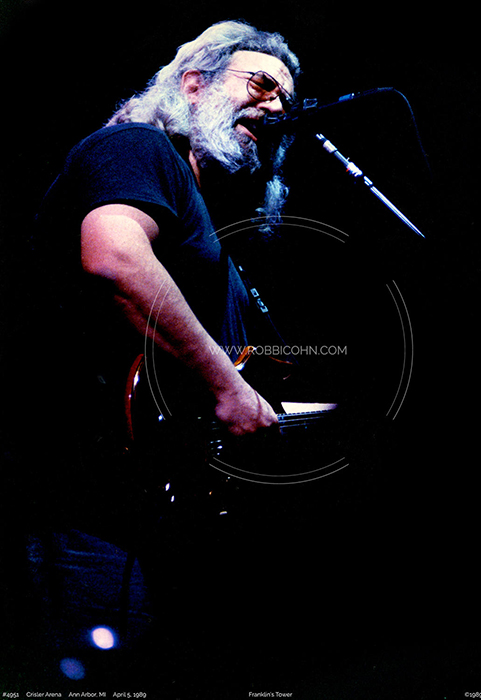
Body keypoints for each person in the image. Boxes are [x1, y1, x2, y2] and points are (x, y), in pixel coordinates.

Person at [18, 20, 304, 691]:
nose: (276, 108)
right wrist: (229, 391)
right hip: (90, 517)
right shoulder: (136, 148)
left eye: (286, 102)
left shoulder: (213, 232)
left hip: (162, 522)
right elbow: (116, 259)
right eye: (260, 84)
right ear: (193, 83)